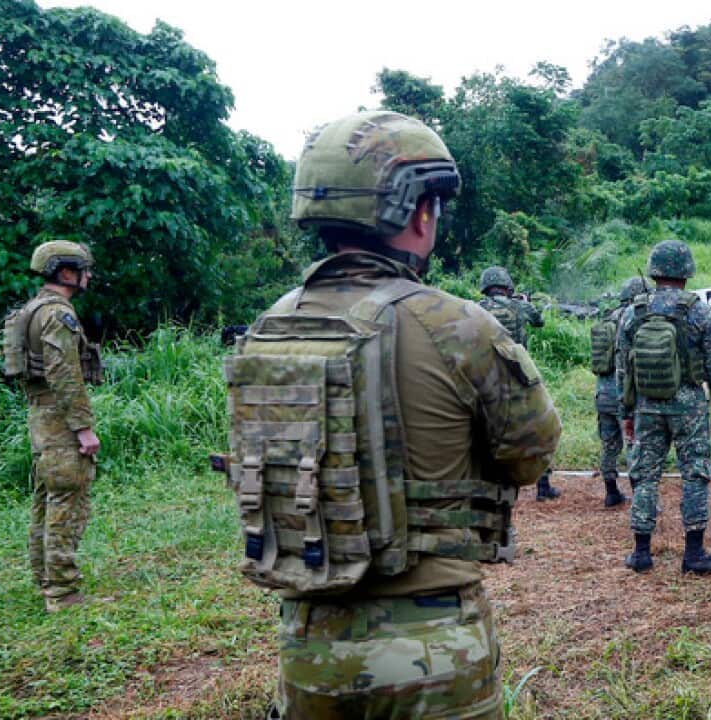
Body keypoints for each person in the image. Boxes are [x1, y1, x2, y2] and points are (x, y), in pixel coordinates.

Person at [228, 110, 560, 718]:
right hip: (434, 649)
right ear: (418, 212)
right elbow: (531, 455)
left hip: (308, 647)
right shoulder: (456, 324)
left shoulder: (269, 327)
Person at [617, 239, 711, 575]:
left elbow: (623, 368)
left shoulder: (634, 311)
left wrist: (626, 413)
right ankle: (694, 554)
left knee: (644, 476)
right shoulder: (699, 311)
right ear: (686, 272)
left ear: (654, 271)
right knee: (695, 473)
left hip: (646, 406)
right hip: (689, 407)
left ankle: (641, 553)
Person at [4, 240, 102, 613]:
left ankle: (45, 579)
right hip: (59, 420)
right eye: (83, 269)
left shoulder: (32, 310)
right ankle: (62, 591)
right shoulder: (58, 314)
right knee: (67, 502)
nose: (88, 276)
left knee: (47, 501)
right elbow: (64, 374)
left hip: (40, 416)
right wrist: (83, 428)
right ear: (65, 272)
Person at [478, 266, 559, 501]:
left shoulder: (477, 307)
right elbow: (539, 322)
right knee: (535, 428)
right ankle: (543, 485)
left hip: (488, 377)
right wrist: (525, 302)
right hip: (519, 374)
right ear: (507, 286)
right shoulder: (520, 306)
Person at [590, 276, 645, 507]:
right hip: (625, 394)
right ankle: (641, 497)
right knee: (634, 443)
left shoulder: (607, 319)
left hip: (603, 394)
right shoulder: (634, 318)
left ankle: (611, 492)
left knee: (609, 444)